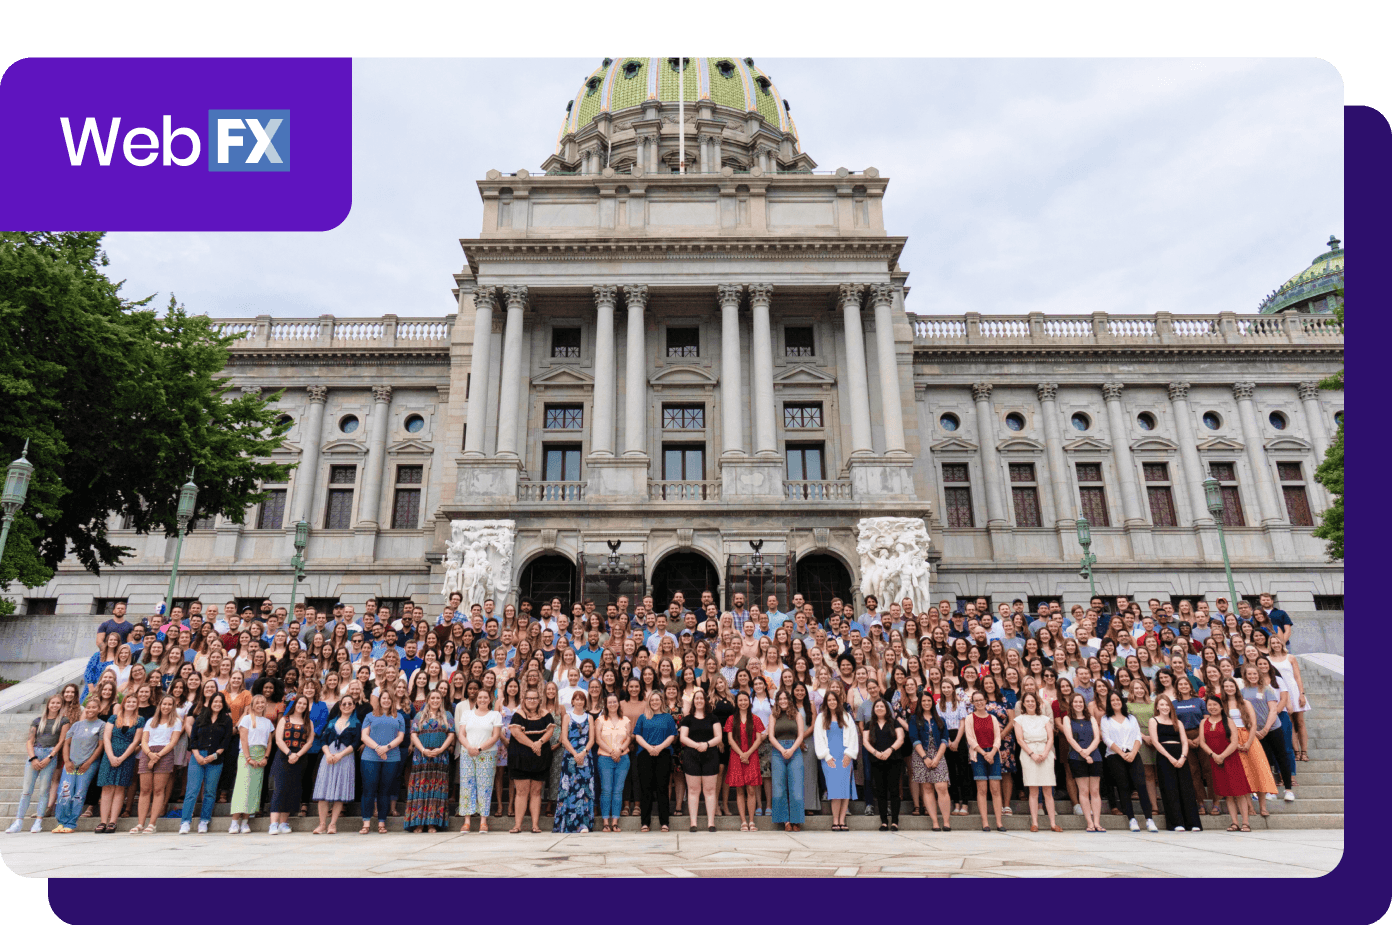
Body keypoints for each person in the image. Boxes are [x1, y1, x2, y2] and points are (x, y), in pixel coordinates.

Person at [8, 695, 68, 834]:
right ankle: (18, 821)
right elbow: (30, 741)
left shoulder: (64, 721)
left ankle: (38, 821)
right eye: (53, 702)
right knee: (26, 790)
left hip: (50, 755)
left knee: (43, 790)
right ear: (48, 704)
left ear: (61, 705)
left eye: (58, 703)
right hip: (35, 753)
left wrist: (50, 757)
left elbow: (61, 741)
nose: (55, 705)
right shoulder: (37, 720)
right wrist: (33, 758)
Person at [1099, 690, 1158, 832]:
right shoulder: (1105, 719)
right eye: (1112, 700)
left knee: (1141, 785)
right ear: (1109, 703)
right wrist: (1121, 753)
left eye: (1118, 700)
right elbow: (1106, 739)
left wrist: (1133, 752)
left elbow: (1138, 736)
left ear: (1122, 701)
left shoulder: (1131, 717)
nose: (1115, 702)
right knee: (1123, 786)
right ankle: (1131, 819)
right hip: (1115, 756)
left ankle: (1149, 819)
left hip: (1133, 753)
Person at [180, 691, 233, 834]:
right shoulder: (201, 717)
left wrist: (214, 755)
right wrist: (196, 755)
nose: (217, 704)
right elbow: (194, 738)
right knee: (192, 790)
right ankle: (185, 822)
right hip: (198, 755)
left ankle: (204, 820)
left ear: (223, 705)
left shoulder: (227, 720)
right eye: (214, 701)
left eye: (220, 702)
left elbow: (226, 741)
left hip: (215, 758)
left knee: (209, 792)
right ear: (210, 703)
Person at [51, 698, 107, 833]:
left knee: (79, 793)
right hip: (71, 763)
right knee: (65, 791)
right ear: (85, 709)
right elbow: (67, 743)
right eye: (89, 707)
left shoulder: (101, 725)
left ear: (99, 710)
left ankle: (71, 823)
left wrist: (88, 763)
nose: (91, 710)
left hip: (87, 764)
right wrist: (67, 761)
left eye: (94, 707)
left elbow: (100, 746)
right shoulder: (76, 725)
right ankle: (61, 821)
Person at [1198, 695, 1252, 831]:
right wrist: (1213, 755)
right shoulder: (1204, 722)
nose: (1212, 707)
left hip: (1231, 760)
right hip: (1215, 760)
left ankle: (1245, 822)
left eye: (1215, 705)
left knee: (1239, 792)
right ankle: (1234, 822)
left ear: (1221, 707)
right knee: (1227, 793)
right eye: (1209, 705)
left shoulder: (1228, 721)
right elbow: (1202, 742)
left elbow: (1234, 742)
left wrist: (1222, 756)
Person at [1149, 694, 1202, 831]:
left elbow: (1184, 741)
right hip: (1165, 756)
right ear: (1157, 707)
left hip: (1181, 755)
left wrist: (1183, 757)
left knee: (1186, 789)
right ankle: (1176, 823)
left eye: (1167, 705)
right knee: (1170, 789)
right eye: (1162, 705)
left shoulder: (1178, 722)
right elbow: (1155, 742)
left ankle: (1192, 823)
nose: (1165, 707)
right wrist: (1170, 758)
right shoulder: (1153, 721)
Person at [405, 688, 455, 833]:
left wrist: (441, 749)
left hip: (440, 756)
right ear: (428, 700)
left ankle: (432, 823)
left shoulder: (447, 715)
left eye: (437, 698)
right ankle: (419, 822)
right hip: (421, 756)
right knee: (421, 789)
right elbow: (413, 734)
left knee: (436, 790)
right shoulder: (420, 715)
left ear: (441, 700)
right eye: (432, 698)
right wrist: (422, 750)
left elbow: (451, 734)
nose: (435, 701)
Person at [132, 693, 183, 833]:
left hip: (164, 753)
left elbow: (173, 742)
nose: (166, 707)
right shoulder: (150, 721)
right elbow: (144, 740)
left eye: (169, 704)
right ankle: (140, 824)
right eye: (164, 704)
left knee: (159, 790)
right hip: (148, 752)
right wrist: (149, 754)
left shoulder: (176, 722)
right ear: (160, 705)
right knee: (144, 790)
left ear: (173, 707)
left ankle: (152, 824)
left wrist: (158, 756)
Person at [507, 688, 555, 834]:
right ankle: (517, 826)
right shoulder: (518, 715)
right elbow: (516, 733)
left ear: (539, 700)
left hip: (540, 757)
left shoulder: (546, 714)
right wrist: (533, 745)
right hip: (520, 756)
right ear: (524, 699)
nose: (532, 701)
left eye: (535, 698)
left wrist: (539, 742)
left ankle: (535, 825)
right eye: (529, 698)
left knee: (536, 791)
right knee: (521, 792)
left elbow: (550, 731)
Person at [360, 687, 406, 834]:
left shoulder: (399, 717)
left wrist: (386, 748)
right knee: (369, 790)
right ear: (379, 700)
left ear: (392, 701)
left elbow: (400, 737)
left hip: (391, 758)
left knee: (385, 791)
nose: (386, 701)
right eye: (383, 698)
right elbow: (364, 736)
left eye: (389, 698)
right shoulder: (370, 716)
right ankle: (366, 823)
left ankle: (381, 822)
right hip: (370, 757)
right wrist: (378, 748)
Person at [95, 693, 144, 834]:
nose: (130, 704)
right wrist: (110, 755)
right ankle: (103, 821)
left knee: (119, 789)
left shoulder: (139, 720)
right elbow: (106, 737)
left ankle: (112, 822)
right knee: (107, 788)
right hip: (109, 756)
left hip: (127, 757)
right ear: (124, 703)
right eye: (128, 702)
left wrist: (122, 758)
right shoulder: (114, 718)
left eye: (134, 702)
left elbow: (136, 741)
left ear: (137, 704)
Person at [456, 688, 502, 833]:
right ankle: (467, 821)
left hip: (487, 754)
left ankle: (483, 821)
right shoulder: (467, 714)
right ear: (476, 699)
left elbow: (495, 736)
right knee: (467, 786)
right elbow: (461, 734)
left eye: (485, 697)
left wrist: (479, 749)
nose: (482, 700)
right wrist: (469, 747)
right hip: (467, 753)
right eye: (480, 697)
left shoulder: (495, 715)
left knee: (485, 786)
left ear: (490, 699)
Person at [268, 693, 314, 835]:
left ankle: (284, 823)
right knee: (280, 789)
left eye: (304, 704)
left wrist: (297, 755)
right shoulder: (284, 719)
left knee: (292, 790)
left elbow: (310, 742)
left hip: (300, 757)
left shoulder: (308, 722)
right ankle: (273, 824)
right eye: (299, 703)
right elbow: (278, 740)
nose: (301, 706)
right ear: (295, 704)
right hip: (284, 755)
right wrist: (289, 754)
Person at [1013, 691, 1060, 832]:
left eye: (1032, 701)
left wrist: (1045, 753)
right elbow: (1020, 740)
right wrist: (1032, 754)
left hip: (1045, 751)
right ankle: (1035, 823)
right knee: (1033, 790)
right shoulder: (1019, 720)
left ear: (1037, 703)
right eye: (1027, 701)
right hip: (1029, 753)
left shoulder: (1044, 719)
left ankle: (1053, 823)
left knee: (1048, 790)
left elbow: (1051, 738)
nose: (1030, 703)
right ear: (1023, 704)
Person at [313, 694, 360, 834]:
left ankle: (332, 824)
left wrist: (340, 755)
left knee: (340, 790)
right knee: (323, 790)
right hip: (329, 757)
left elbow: (356, 743)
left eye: (349, 704)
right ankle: (322, 824)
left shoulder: (356, 723)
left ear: (353, 706)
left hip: (345, 758)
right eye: (344, 704)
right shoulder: (332, 722)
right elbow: (323, 740)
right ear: (340, 706)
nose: (347, 706)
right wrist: (327, 753)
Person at [678, 687, 723, 832]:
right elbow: (683, 737)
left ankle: (711, 823)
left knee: (710, 790)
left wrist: (707, 744)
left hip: (710, 755)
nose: (698, 701)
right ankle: (693, 823)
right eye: (696, 698)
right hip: (691, 755)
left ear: (705, 701)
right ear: (693, 702)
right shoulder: (687, 719)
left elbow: (719, 737)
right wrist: (697, 746)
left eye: (701, 698)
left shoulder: (713, 718)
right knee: (693, 790)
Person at [633, 689, 677, 832]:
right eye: (652, 700)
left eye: (657, 700)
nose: (655, 702)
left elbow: (672, 735)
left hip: (663, 753)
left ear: (661, 701)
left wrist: (659, 748)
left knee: (662, 788)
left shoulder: (668, 717)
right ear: (649, 702)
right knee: (646, 788)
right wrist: (649, 748)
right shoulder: (642, 717)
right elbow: (637, 735)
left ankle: (664, 822)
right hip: (645, 754)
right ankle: (645, 823)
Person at [813, 690, 857, 831]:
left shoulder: (846, 717)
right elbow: (818, 738)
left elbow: (853, 737)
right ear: (826, 702)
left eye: (834, 700)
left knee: (844, 790)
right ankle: (835, 820)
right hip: (829, 757)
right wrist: (826, 756)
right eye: (829, 700)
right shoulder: (821, 717)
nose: (832, 702)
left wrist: (849, 754)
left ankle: (842, 821)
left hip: (844, 756)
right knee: (834, 790)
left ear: (838, 702)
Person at [907, 694, 952, 832]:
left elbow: (945, 740)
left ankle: (946, 821)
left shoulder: (940, 720)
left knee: (941, 786)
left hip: (938, 754)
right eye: (923, 701)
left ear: (932, 703)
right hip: (921, 756)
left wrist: (937, 758)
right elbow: (914, 739)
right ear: (920, 703)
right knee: (927, 788)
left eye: (929, 701)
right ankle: (935, 822)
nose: (926, 703)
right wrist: (925, 757)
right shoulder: (914, 719)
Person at [229, 694, 273, 833]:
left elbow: (269, 742)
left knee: (254, 788)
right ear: (252, 705)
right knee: (243, 788)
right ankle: (235, 822)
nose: (260, 705)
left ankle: (246, 821)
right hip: (247, 755)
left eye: (262, 702)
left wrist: (265, 757)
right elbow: (243, 740)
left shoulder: (268, 722)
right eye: (257, 703)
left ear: (265, 705)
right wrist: (248, 758)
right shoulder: (247, 719)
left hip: (261, 756)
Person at [1061, 693, 1104, 833]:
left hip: (1095, 756)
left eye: (1080, 702)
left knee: (1095, 791)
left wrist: (1089, 752)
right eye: (1075, 702)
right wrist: (1083, 754)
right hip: (1076, 757)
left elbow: (1097, 738)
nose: (1078, 704)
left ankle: (1097, 822)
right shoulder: (1067, 719)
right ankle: (1090, 822)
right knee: (1084, 791)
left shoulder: (1090, 718)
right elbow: (1069, 738)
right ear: (1072, 704)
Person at [553, 690, 594, 833]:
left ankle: (583, 824)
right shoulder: (567, 716)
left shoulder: (589, 717)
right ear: (572, 701)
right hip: (570, 756)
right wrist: (575, 753)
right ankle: (568, 824)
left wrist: (583, 753)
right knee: (569, 789)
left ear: (585, 702)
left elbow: (592, 739)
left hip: (585, 758)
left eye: (581, 699)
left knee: (584, 791)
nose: (579, 702)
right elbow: (564, 738)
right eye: (576, 699)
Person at [963, 690, 1005, 832]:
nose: (979, 703)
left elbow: (998, 737)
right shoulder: (970, 718)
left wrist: (992, 752)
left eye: (981, 700)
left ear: (986, 701)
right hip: (978, 755)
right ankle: (985, 822)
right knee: (982, 789)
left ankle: (999, 822)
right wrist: (983, 753)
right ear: (973, 703)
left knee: (995, 789)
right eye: (976, 700)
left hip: (993, 754)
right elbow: (970, 739)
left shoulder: (992, 718)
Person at [724, 690, 765, 832]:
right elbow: (730, 740)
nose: (743, 703)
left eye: (745, 700)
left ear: (749, 702)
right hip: (737, 756)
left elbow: (759, 739)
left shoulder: (756, 719)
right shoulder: (731, 719)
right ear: (736, 703)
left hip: (751, 756)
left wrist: (747, 753)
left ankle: (752, 820)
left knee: (751, 789)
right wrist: (742, 754)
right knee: (740, 790)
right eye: (740, 700)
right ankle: (743, 822)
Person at [862, 697, 905, 831]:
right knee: (880, 792)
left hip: (894, 760)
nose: (879, 708)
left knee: (894, 791)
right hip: (876, 760)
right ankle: (884, 821)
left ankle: (895, 821)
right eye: (877, 707)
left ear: (886, 709)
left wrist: (889, 750)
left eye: (882, 706)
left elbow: (901, 739)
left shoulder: (894, 722)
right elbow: (865, 741)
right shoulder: (869, 724)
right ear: (873, 710)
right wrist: (876, 753)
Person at [767, 689, 807, 832]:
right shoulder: (773, 716)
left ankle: (797, 820)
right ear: (777, 701)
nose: (783, 701)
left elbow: (801, 735)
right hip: (778, 751)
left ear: (789, 700)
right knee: (779, 787)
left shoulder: (796, 714)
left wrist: (791, 750)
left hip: (794, 751)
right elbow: (771, 737)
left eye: (785, 699)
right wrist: (782, 750)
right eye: (780, 699)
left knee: (796, 787)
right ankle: (786, 821)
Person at [595, 692, 631, 833]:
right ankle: (605, 822)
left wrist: (619, 751)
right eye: (609, 702)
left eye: (614, 702)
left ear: (618, 703)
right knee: (606, 790)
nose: (612, 704)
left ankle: (615, 822)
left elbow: (628, 738)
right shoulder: (600, 720)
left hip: (623, 758)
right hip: (605, 758)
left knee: (618, 790)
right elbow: (598, 739)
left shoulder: (625, 720)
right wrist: (611, 752)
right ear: (606, 704)